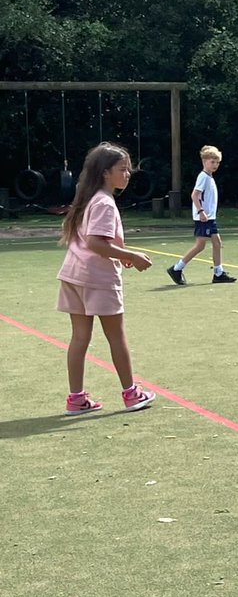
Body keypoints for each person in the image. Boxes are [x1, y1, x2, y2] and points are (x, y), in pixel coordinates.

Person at [57, 142, 157, 415]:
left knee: (79, 338)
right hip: (96, 278)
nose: (127, 174)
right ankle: (131, 394)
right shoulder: (104, 202)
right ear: (104, 173)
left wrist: (119, 254)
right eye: (122, 169)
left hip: (73, 275)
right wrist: (131, 256)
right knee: (116, 336)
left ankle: (76, 399)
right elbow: (96, 243)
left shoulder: (88, 198)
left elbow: (97, 242)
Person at [166, 145, 237, 284]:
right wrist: (201, 211)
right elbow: (195, 195)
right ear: (204, 161)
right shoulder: (203, 177)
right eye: (212, 162)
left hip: (209, 217)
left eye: (217, 162)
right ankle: (177, 269)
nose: (215, 165)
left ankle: (218, 273)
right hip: (205, 218)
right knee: (202, 245)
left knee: (214, 243)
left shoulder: (209, 177)